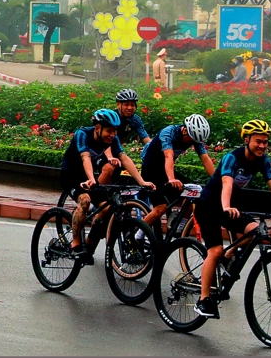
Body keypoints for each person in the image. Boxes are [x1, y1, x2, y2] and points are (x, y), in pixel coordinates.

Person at [193, 120, 271, 320]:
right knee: (215, 251)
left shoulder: (262, 160)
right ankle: (204, 299)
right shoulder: (232, 158)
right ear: (246, 140)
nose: (262, 146)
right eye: (258, 141)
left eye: (265, 142)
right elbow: (226, 182)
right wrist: (225, 206)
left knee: (254, 230)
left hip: (229, 207)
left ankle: (228, 257)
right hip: (209, 205)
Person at [60, 109, 155, 265]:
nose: (112, 134)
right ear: (98, 128)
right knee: (84, 200)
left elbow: (124, 159)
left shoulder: (113, 139)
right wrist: (91, 179)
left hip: (88, 177)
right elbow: (85, 158)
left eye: (115, 130)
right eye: (109, 130)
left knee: (106, 209)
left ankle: (89, 245)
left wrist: (142, 181)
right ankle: (76, 244)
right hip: (71, 175)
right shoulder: (82, 134)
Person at [140, 114, 215, 230]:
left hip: (165, 170)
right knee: (160, 208)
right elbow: (168, 156)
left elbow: (205, 159)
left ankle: (178, 227)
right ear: (185, 130)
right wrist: (171, 179)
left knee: (192, 194)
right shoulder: (169, 133)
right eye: (191, 139)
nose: (192, 142)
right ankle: (137, 235)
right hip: (150, 170)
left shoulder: (195, 137)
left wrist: (217, 181)